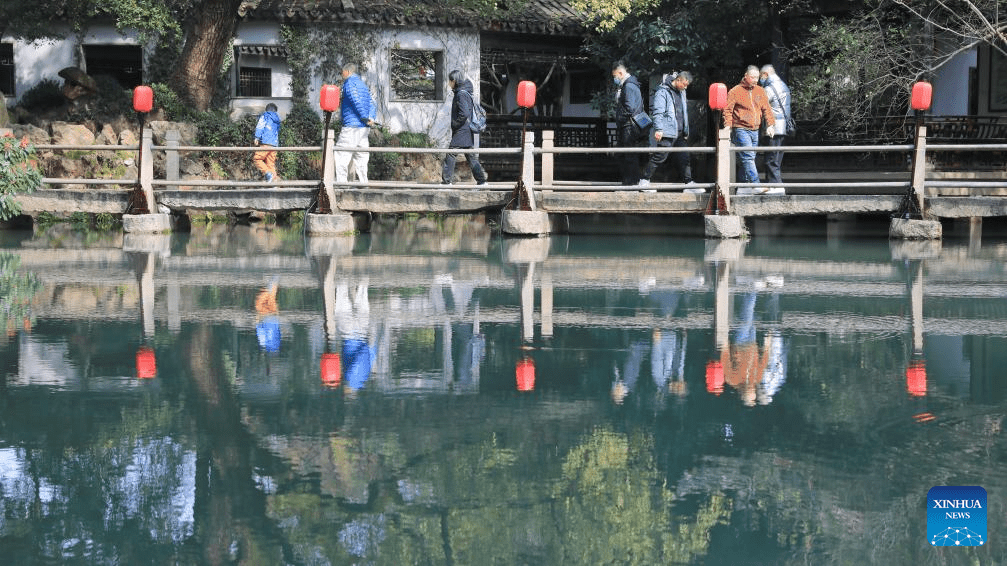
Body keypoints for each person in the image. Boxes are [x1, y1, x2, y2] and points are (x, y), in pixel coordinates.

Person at [639, 71, 695, 191]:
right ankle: (644, 180)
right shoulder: (662, 92)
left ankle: (689, 183)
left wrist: (686, 130)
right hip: (668, 131)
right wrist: (658, 129)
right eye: (684, 84)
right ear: (678, 80)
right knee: (659, 156)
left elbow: (683, 113)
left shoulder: (682, 93)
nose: (685, 87)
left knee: (684, 158)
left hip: (680, 132)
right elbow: (658, 112)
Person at [723, 65, 776, 190]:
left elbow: (766, 109)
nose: (755, 80)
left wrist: (770, 124)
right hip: (741, 128)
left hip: (755, 129)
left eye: (757, 77)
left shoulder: (760, 90)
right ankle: (755, 185)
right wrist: (728, 126)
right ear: (746, 76)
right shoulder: (735, 91)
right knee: (748, 157)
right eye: (752, 77)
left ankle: (743, 186)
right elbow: (728, 110)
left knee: (747, 158)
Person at [442, 69, 488, 185]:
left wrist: (455, 124)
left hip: (462, 130)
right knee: (471, 157)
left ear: (455, 81)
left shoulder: (461, 94)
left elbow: (464, 113)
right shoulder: (464, 92)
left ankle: (446, 182)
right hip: (467, 130)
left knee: (451, 154)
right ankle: (482, 181)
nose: (449, 83)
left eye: (450, 81)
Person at [335, 62, 376, 184]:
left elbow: (355, 99)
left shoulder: (349, 83)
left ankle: (341, 184)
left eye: (342, 72)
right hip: (364, 128)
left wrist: (363, 116)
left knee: (342, 154)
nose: (342, 75)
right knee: (362, 156)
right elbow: (373, 103)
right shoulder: (363, 85)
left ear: (347, 72)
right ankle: (364, 183)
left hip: (351, 126)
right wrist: (371, 118)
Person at [611, 61, 645, 186]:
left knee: (627, 155)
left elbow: (629, 108)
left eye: (615, 76)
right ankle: (631, 180)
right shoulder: (631, 84)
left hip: (628, 125)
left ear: (620, 73)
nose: (615, 78)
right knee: (628, 154)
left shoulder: (629, 86)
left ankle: (630, 181)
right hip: (629, 124)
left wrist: (619, 117)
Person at [759, 64, 792, 190]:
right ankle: (774, 186)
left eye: (761, 76)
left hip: (773, 128)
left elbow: (762, 106)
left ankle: (776, 186)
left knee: (771, 160)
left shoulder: (769, 88)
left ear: (765, 74)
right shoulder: (784, 85)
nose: (760, 80)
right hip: (783, 128)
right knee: (776, 160)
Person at [252, 103, 281, 183]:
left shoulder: (265, 115)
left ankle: (268, 174)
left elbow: (260, 126)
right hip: (274, 144)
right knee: (270, 164)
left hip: (266, 142)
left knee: (257, 159)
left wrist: (257, 137)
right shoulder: (278, 118)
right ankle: (274, 182)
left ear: (267, 109)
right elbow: (278, 131)